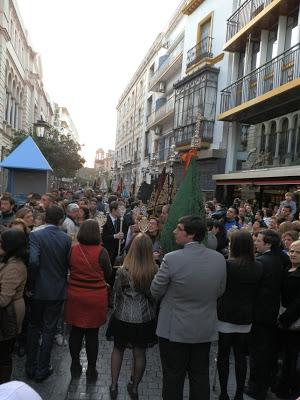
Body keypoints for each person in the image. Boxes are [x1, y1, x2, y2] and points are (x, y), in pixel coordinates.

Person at [151, 215, 226, 400]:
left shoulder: (172, 258)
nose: (174, 231)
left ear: (191, 234)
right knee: (200, 375)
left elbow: (155, 290)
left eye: (179, 228)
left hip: (174, 329)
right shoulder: (218, 259)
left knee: (173, 375)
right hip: (203, 328)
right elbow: (220, 290)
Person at [107, 233, 157, 400]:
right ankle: (134, 387)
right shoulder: (153, 270)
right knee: (140, 353)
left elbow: (115, 294)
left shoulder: (123, 270)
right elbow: (154, 295)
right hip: (144, 318)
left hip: (122, 316)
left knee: (118, 349)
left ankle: (113, 385)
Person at [25, 205, 71, 382]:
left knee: (33, 327)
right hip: (57, 290)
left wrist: (31, 284)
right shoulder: (66, 238)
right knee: (49, 330)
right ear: (60, 220)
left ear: (44, 219)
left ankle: (30, 367)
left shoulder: (35, 235)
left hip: (38, 290)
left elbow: (34, 261)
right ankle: (42, 368)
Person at [217, 231, 262, 400]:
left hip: (225, 315)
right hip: (246, 316)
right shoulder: (258, 266)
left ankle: (223, 393)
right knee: (240, 356)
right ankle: (238, 394)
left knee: (223, 355)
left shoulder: (229, 265)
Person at [65, 219, 112, 381]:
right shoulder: (102, 252)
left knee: (75, 332)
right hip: (95, 296)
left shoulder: (73, 250)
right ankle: (91, 368)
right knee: (92, 334)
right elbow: (108, 273)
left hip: (75, 295)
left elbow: (69, 268)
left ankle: (75, 363)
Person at [245, 230, 285, 400]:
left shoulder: (261, 262)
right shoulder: (284, 258)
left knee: (258, 353)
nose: (256, 243)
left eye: (259, 240)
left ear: (268, 244)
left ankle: (255, 387)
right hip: (275, 313)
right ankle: (267, 383)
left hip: (260, 314)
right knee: (270, 351)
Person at [0, 229, 28, 383]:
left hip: (8, 314)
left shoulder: (15, 267)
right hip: (7, 311)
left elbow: (3, 299)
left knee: (4, 354)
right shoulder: (9, 261)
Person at [276, 240, 300, 399]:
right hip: (283, 317)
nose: (293, 254)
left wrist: (285, 319)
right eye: (291, 251)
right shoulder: (287, 268)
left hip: (293, 321)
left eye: (297, 252)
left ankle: (288, 388)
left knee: (292, 357)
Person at [102, 201, 125, 266]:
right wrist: (115, 236)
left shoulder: (120, 220)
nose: (122, 211)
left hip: (117, 252)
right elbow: (103, 237)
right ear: (113, 210)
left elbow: (123, 234)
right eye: (119, 209)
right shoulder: (105, 220)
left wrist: (122, 238)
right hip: (108, 252)